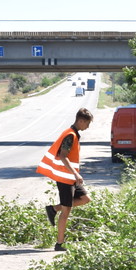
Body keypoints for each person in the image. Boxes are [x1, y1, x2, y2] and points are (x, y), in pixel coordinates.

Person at [36, 107, 93, 251]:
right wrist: (75, 174)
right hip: (66, 178)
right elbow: (63, 156)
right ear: (80, 121)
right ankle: (59, 244)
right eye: (87, 123)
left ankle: (53, 209)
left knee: (85, 199)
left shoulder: (74, 133)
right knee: (66, 211)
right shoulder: (70, 135)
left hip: (71, 178)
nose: (88, 126)